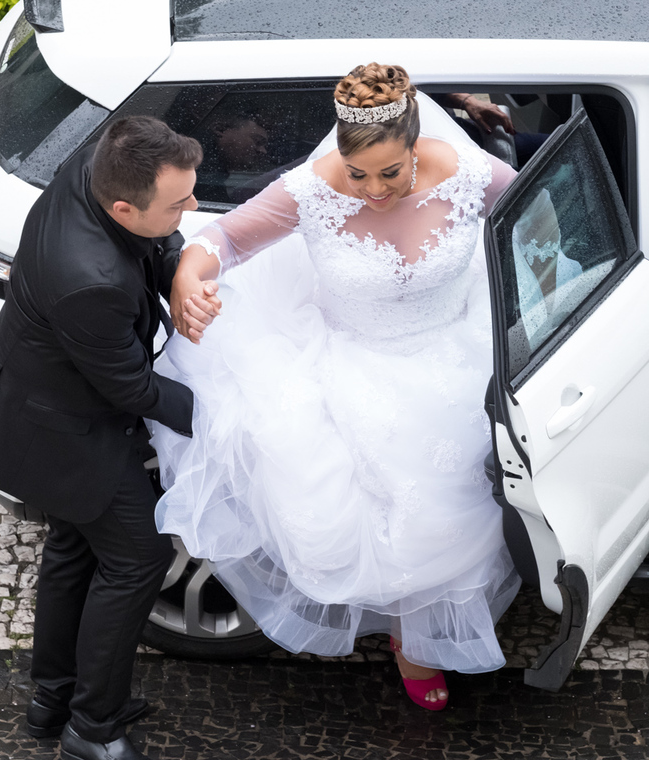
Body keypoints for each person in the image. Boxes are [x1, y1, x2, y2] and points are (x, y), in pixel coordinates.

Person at [152, 63, 523, 711]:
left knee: (467, 504)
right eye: (358, 174)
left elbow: (540, 219)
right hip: (351, 361)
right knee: (379, 511)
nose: (374, 190)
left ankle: (422, 631)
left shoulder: (470, 172)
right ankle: (409, 637)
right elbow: (222, 239)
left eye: (390, 173)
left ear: (416, 145)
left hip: (458, 356)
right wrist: (189, 276)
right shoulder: (311, 189)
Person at [0, 116, 212, 760]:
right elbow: (132, 387)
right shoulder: (91, 280)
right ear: (124, 208)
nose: (192, 208)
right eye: (178, 204)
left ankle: (55, 698)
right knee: (138, 558)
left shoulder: (101, 161)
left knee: (75, 547)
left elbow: (158, 242)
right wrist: (225, 416)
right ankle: (93, 730)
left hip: (36, 403)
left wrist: (179, 272)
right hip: (61, 434)